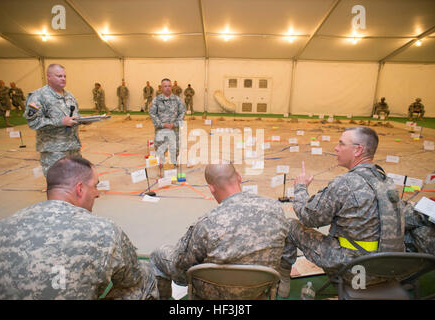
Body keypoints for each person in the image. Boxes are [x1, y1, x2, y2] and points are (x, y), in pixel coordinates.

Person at [0, 156, 158, 300]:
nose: (98, 193)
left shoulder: (3, 227)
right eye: (95, 185)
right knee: (145, 276)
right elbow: (132, 277)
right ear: (80, 189)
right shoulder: (104, 230)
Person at [281, 126, 406, 291]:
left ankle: (282, 282)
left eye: (341, 144)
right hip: (389, 267)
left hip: (355, 269)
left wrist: (301, 188)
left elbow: (308, 217)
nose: (336, 148)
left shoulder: (345, 183)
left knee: (290, 226)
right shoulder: (386, 181)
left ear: (357, 150)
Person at [150, 163, 291, 299]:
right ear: (239, 177)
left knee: (158, 255)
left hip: (214, 295)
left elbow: (181, 272)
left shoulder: (208, 224)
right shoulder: (276, 209)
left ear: (211, 188)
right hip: (258, 289)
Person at [24, 64, 83, 177]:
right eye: (59, 76)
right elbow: (34, 123)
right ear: (49, 77)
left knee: (75, 181)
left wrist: (82, 120)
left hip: (73, 148)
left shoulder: (69, 95)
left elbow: (74, 115)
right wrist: (60, 122)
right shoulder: (38, 96)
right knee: (58, 183)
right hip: (54, 151)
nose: (63, 78)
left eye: (65, 76)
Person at [149, 78, 186, 176]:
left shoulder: (177, 99)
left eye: (169, 86)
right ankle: (162, 164)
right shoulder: (156, 100)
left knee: (176, 147)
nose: (167, 88)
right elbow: (152, 113)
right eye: (165, 86)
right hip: (161, 129)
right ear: (161, 88)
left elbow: (182, 111)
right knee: (160, 147)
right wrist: (162, 124)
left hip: (174, 129)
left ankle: (173, 163)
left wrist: (176, 123)